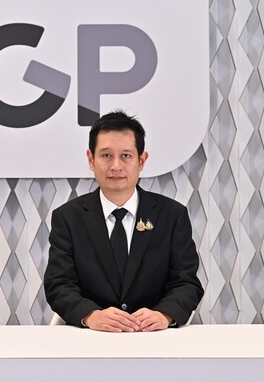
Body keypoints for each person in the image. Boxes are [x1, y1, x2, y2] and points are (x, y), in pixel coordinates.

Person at [44, 110, 203, 332]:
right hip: (92, 337)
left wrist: (164, 315)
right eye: (106, 155)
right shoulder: (68, 218)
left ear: (142, 160)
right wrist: (91, 316)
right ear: (91, 159)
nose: (116, 166)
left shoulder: (172, 215)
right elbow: (59, 285)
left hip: (153, 336)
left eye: (126, 156)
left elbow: (186, 283)